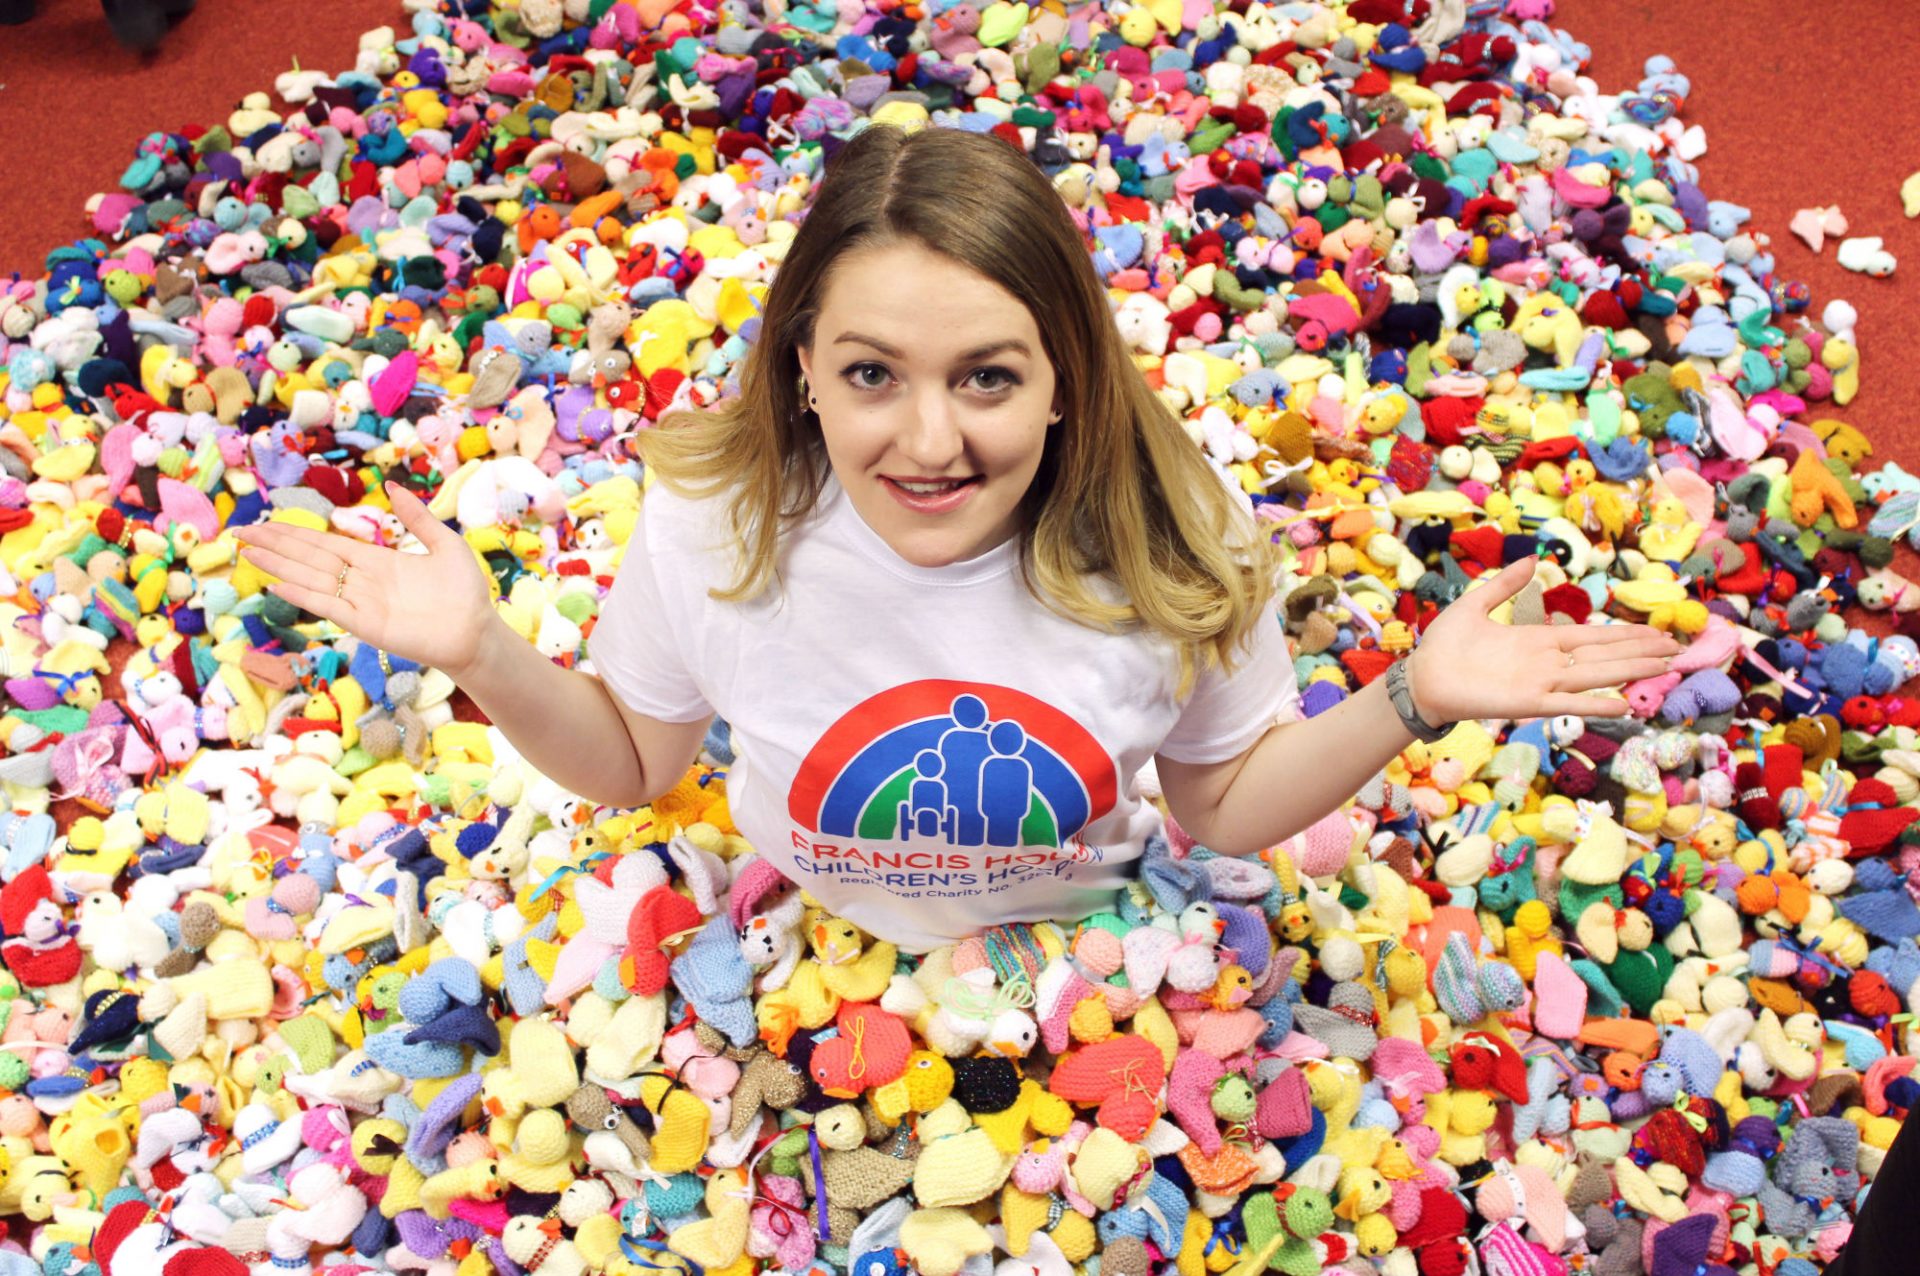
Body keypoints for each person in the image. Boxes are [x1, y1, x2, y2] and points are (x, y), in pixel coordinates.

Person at [231, 123, 1679, 952]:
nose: (930, 445)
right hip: (814, 939)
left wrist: (1412, 696)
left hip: (1090, 949)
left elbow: (1222, 808)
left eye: (988, 376)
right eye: (872, 375)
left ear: (1067, 374)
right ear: (802, 363)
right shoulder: (718, 520)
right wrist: (481, 649)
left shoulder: (1178, 534)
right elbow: (631, 766)